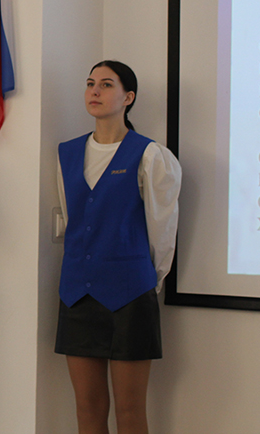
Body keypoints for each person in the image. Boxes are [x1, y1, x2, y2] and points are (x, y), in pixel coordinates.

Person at [55, 61, 180, 434]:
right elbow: (73, 218)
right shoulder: (67, 153)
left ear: (128, 97)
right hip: (77, 295)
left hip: (130, 295)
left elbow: (162, 230)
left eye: (106, 84)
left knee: (130, 411)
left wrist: (145, 281)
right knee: (87, 409)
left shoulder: (150, 155)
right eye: (90, 83)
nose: (94, 90)